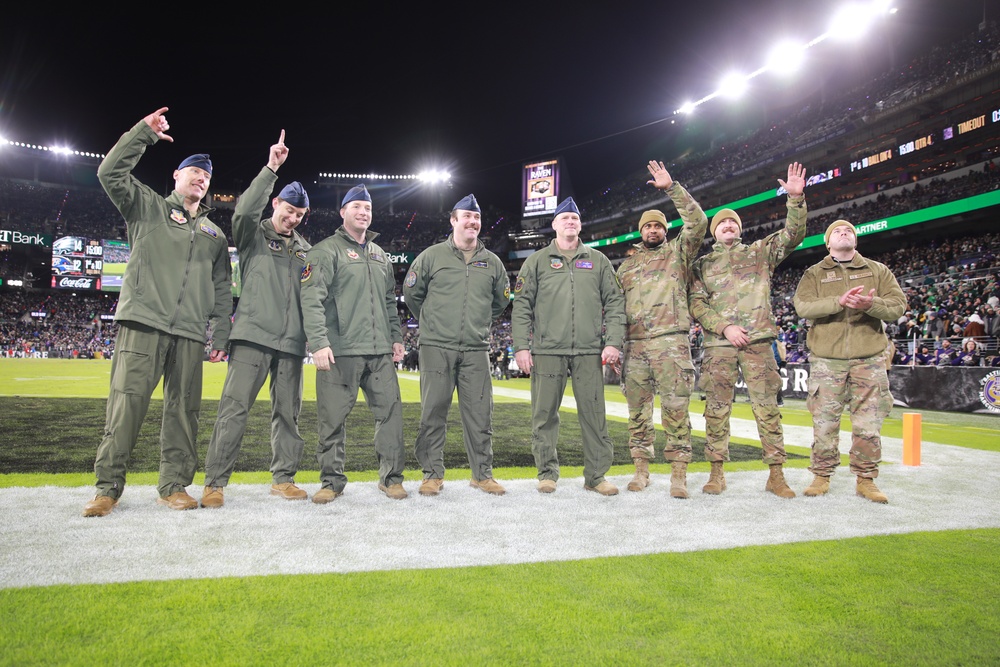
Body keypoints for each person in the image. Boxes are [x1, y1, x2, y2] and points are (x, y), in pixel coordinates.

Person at [83, 107, 232, 517]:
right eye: (194, 173)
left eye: (207, 177)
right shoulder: (146, 207)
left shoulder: (214, 234)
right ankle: (107, 488)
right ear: (176, 177)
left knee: (184, 413)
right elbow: (109, 173)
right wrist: (143, 134)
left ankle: (173, 486)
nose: (201, 179)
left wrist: (219, 335)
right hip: (143, 324)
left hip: (188, 332)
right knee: (126, 406)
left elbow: (222, 289)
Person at [200, 131, 312, 508]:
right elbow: (245, 210)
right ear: (276, 202)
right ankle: (215, 482)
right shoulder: (252, 234)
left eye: (299, 215)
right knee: (234, 410)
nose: (292, 219)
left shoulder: (306, 250)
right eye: (288, 210)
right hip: (251, 338)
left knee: (288, 414)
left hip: (292, 344)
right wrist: (271, 168)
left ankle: (284, 479)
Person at [689, 163, 807, 497]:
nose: (727, 224)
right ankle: (716, 473)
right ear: (714, 232)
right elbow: (696, 304)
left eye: (732, 221)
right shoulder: (702, 265)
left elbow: (792, 236)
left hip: (758, 343)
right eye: (721, 222)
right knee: (716, 410)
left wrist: (795, 200)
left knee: (768, 408)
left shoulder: (759, 253)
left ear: (739, 229)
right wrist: (724, 328)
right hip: (718, 346)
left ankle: (776, 474)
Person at [300, 184, 408, 502]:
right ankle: (331, 481)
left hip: (379, 351)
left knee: (390, 415)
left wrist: (396, 337)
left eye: (368, 208)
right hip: (340, 350)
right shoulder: (324, 251)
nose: (364, 212)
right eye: (357, 206)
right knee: (332, 418)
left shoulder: (379, 254)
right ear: (343, 211)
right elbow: (312, 298)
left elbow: (389, 302)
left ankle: (391, 479)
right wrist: (319, 342)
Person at [512, 196, 625, 495]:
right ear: (554, 225)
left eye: (575, 218)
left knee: (594, 414)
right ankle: (547, 473)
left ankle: (596, 476)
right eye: (565, 219)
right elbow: (522, 306)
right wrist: (521, 346)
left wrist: (613, 341)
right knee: (544, 414)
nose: (570, 223)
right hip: (548, 351)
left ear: (580, 224)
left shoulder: (598, 260)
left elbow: (615, 302)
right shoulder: (536, 261)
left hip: (589, 351)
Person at [403, 194, 510, 497]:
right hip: (436, 346)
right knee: (433, 412)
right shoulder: (431, 256)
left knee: (480, 414)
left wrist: (477, 324)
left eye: (476, 218)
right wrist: (433, 322)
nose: (472, 222)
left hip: (476, 348)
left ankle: (482, 475)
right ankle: (432, 474)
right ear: (453, 220)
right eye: (466, 216)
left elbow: (500, 301)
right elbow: (412, 295)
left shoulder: (492, 262)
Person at [793, 219, 905, 504]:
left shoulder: (877, 271)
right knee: (824, 423)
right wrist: (837, 302)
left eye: (849, 231)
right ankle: (821, 475)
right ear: (828, 243)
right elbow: (803, 307)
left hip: (869, 359)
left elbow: (898, 306)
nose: (844, 233)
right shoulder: (814, 273)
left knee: (868, 424)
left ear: (856, 241)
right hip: (827, 361)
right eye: (837, 232)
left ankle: (866, 480)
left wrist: (872, 305)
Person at [616, 161, 708, 498]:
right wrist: (612, 344)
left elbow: (698, 222)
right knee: (637, 412)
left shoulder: (678, 253)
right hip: (635, 346)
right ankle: (641, 471)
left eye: (658, 225)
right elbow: (613, 309)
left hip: (671, 342)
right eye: (647, 226)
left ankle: (678, 475)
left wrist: (672, 188)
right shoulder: (625, 268)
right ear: (640, 232)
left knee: (675, 408)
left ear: (665, 230)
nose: (652, 230)